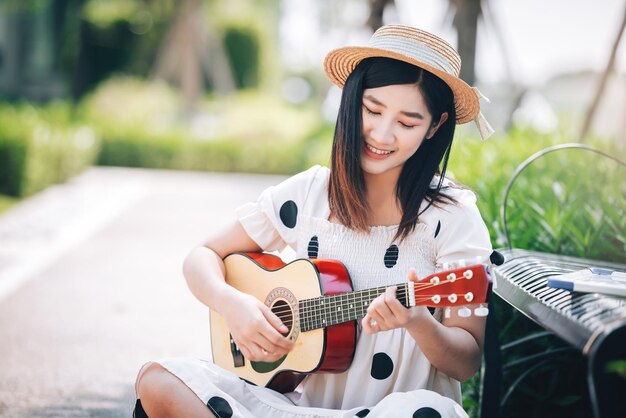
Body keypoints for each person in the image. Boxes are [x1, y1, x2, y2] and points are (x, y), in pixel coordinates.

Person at [134, 24, 494, 418]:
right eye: (371, 110)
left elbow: (466, 362)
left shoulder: (453, 215)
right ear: (350, 99)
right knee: (159, 380)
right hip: (296, 409)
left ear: (435, 127)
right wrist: (233, 304)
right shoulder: (307, 195)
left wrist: (418, 321)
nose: (382, 133)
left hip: (391, 413)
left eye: (407, 123)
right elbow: (201, 256)